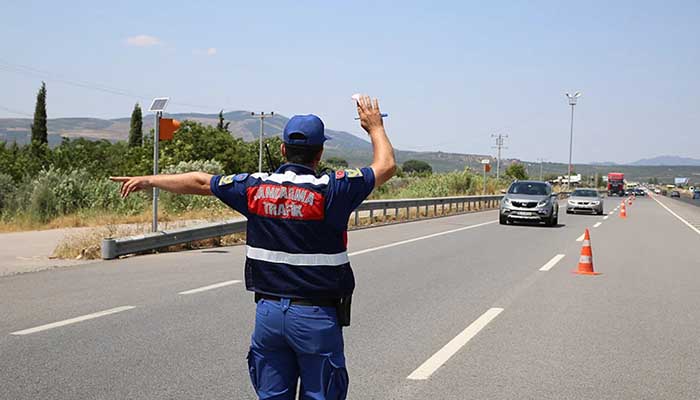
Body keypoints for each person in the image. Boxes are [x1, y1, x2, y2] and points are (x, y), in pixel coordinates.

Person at [110, 95, 396, 399]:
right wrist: (374, 127)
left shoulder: (254, 187)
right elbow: (386, 166)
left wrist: (149, 180)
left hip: (268, 316)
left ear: (284, 149)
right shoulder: (334, 189)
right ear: (320, 153)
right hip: (315, 318)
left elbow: (201, 182)